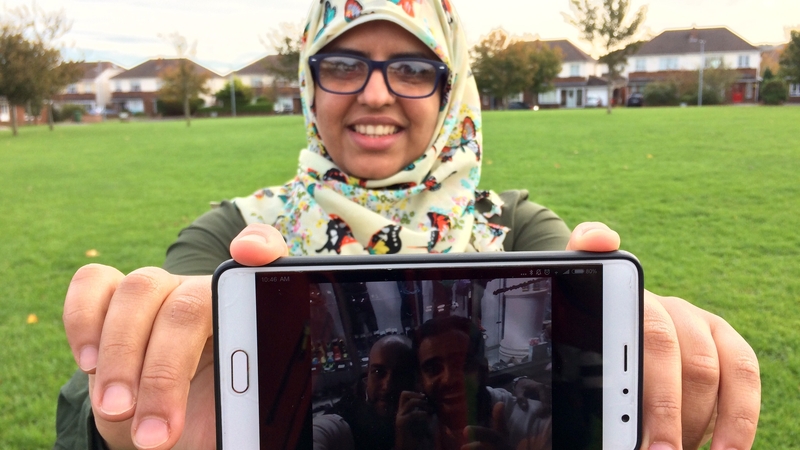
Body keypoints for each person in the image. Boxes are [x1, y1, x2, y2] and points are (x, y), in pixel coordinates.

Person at [56, 1, 760, 449]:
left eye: (413, 69)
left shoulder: (517, 227)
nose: (374, 93)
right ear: (308, 85)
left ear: (452, 91)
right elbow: (145, 351)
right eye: (342, 64)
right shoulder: (230, 237)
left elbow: (593, 352)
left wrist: (647, 343)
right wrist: (122, 409)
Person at [395, 316, 551, 450]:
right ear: (420, 381)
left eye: (463, 364)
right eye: (433, 369)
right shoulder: (416, 428)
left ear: (484, 370)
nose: (449, 379)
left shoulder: (538, 426)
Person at [314, 335, 416, 450]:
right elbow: (321, 431)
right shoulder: (346, 415)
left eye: (400, 374)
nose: (387, 386)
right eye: (378, 372)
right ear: (367, 373)